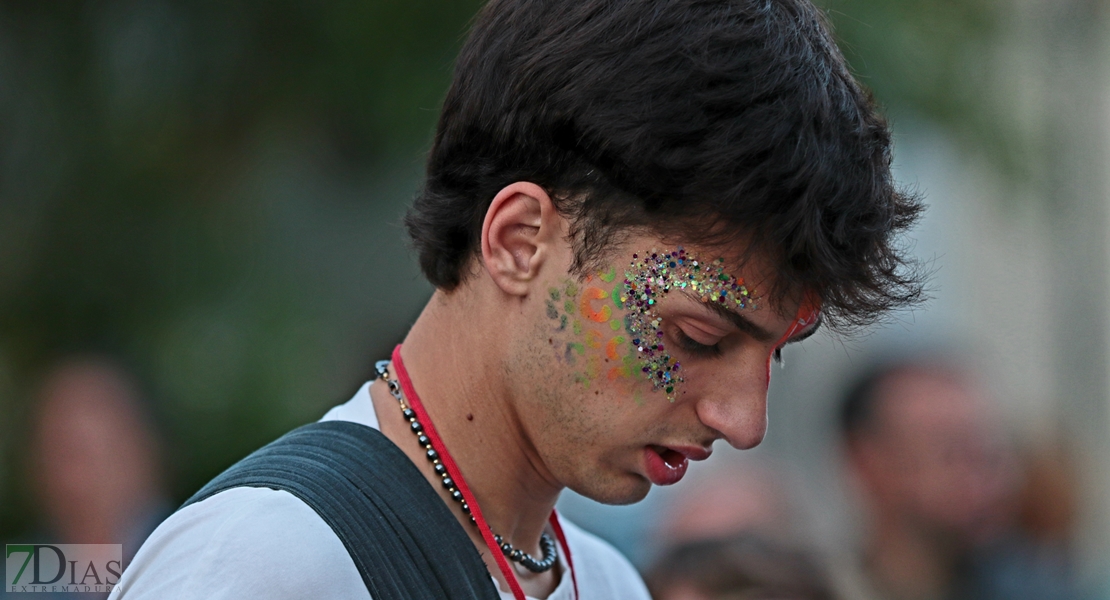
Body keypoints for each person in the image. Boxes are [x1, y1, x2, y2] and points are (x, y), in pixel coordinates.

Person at [112, 0, 924, 598]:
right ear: (518, 242)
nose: (744, 421)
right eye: (699, 336)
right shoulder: (266, 566)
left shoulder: (607, 585)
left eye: (773, 353)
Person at [834, 360, 1088, 600]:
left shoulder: (1036, 589)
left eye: (988, 454)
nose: (986, 480)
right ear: (869, 462)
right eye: (952, 453)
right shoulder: (816, 588)